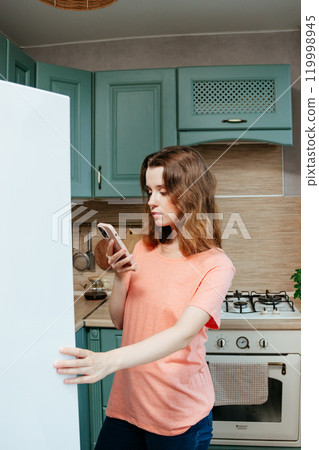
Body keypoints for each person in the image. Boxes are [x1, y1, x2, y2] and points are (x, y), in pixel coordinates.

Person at [54, 146, 235, 450]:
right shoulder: (142, 249)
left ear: (191, 193)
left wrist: (108, 361)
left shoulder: (216, 265)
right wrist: (121, 276)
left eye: (162, 191)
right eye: (149, 190)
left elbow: (181, 335)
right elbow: (120, 320)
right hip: (127, 405)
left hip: (177, 414)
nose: (151, 201)